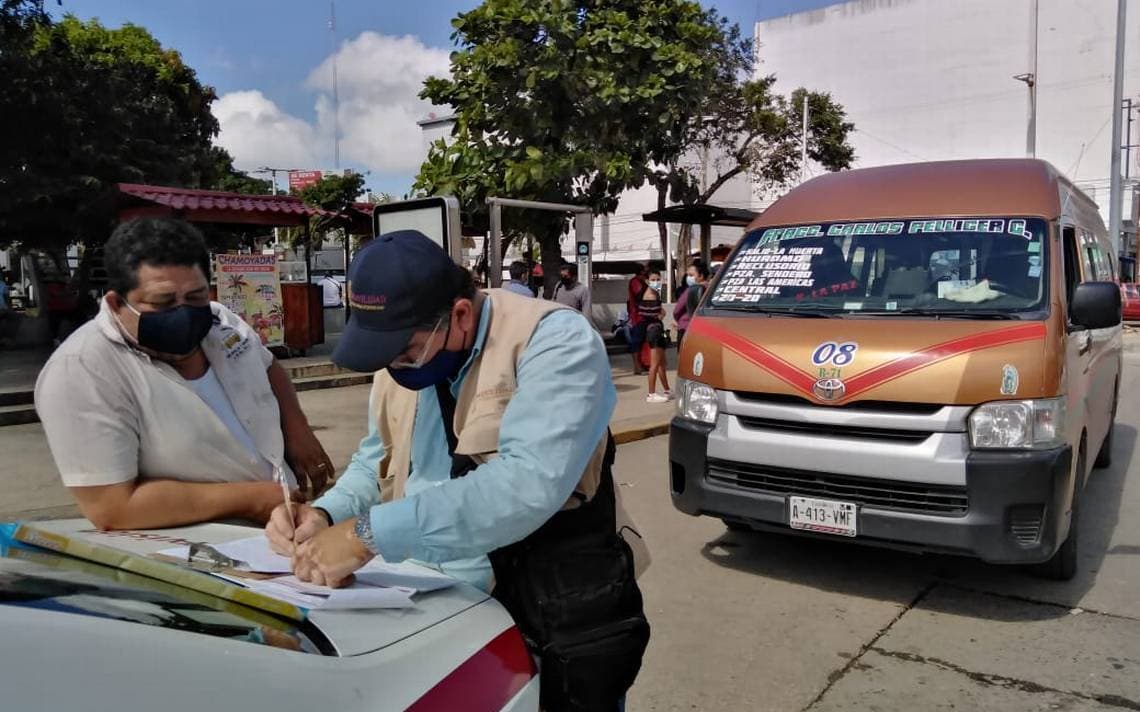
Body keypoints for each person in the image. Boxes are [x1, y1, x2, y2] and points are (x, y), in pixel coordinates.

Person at [266, 230, 649, 711]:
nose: (395, 366)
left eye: (406, 350)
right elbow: (377, 461)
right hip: (431, 606)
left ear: (461, 315)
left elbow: (526, 486)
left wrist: (365, 534)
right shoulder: (404, 361)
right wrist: (324, 515)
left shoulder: (553, 341)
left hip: (549, 605)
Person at [34, 218, 333, 531]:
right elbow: (112, 507)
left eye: (195, 297)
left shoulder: (219, 321)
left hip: (284, 526)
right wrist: (253, 499)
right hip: (202, 551)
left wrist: (297, 429)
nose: (183, 313)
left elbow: (267, 366)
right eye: (162, 302)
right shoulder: (81, 370)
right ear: (115, 302)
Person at [639, 272, 671, 403]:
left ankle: (667, 390)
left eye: (658, 279)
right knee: (655, 365)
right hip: (654, 331)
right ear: (647, 280)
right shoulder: (650, 295)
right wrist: (660, 315)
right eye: (653, 279)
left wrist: (660, 315)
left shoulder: (655, 294)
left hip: (657, 329)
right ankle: (651, 394)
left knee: (662, 363)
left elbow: (659, 312)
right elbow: (652, 314)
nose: (656, 281)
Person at [673, 259, 711, 346]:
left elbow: (677, 310)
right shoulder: (711, 289)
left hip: (686, 326)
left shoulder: (691, 290)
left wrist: (680, 320)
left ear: (701, 275)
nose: (688, 278)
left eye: (691, 275)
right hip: (706, 328)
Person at [626, 264, 649, 375]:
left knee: (642, 341)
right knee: (637, 341)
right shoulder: (635, 282)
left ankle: (643, 363)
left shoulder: (642, 282)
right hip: (638, 316)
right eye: (645, 270)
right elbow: (639, 295)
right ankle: (637, 366)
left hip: (643, 315)